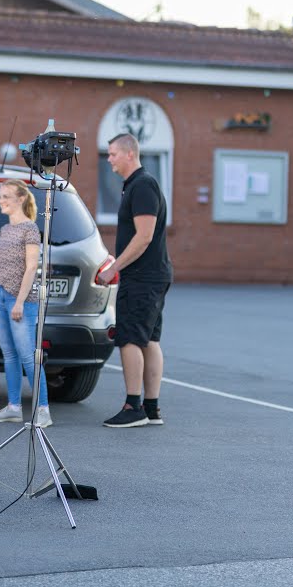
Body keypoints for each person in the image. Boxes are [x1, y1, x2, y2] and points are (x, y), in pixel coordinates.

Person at [98, 133, 173, 428]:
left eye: (113, 153)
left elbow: (144, 237)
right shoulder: (136, 185)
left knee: (129, 338)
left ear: (130, 154)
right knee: (149, 339)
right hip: (151, 275)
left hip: (143, 277)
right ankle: (151, 409)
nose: (109, 159)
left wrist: (113, 268)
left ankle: (133, 407)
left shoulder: (142, 185)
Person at [0, 179, 52, 428]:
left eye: (5, 196)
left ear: (21, 199)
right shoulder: (5, 229)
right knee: (9, 355)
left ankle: (43, 410)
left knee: (28, 356)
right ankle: (13, 407)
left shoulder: (29, 229)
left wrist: (19, 302)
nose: (0, 200)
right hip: (1, 297)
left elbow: (32, 267)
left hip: (21, 300)